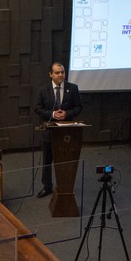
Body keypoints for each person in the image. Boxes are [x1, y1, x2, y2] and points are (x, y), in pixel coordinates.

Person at [33, 62, 83, 198]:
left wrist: (67, 114)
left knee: (65, 160)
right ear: (50, 74)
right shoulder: (43, 90)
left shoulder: (73, 88)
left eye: (62, 72)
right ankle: (47, 186)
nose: (61, 75)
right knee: (47, 161)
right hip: (49, 132)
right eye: (57, 72)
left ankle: (64, 186)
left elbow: (78, 107)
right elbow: (37, 108)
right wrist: (53, 114)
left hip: (67, 133)